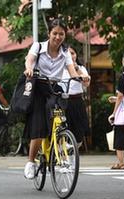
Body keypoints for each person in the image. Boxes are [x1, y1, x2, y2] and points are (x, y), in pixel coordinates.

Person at [22, 18, 89, 179]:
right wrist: (29, 69)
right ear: (49, 34)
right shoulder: (38, 46)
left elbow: (72, 72)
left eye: (61, 34)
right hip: (38, 87)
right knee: (38, 125)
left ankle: (61, 139)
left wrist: (80, 77)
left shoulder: (65, 52)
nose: (58, 37)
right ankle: (31, 161)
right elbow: (29, 60)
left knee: (60, 115)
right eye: (55, 33)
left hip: (54, 88)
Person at [61, 46, 90, 147]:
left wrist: (76, 68)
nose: (70, 56)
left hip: (77, 101)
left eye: (72, 53)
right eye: (68, 53)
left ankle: (73, 153)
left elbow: (86, 83)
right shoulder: (59, 68)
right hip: (63, 102)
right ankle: (63, 154)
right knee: (62, 129)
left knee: (79, 132)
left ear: (76, 55)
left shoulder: (81, 68)